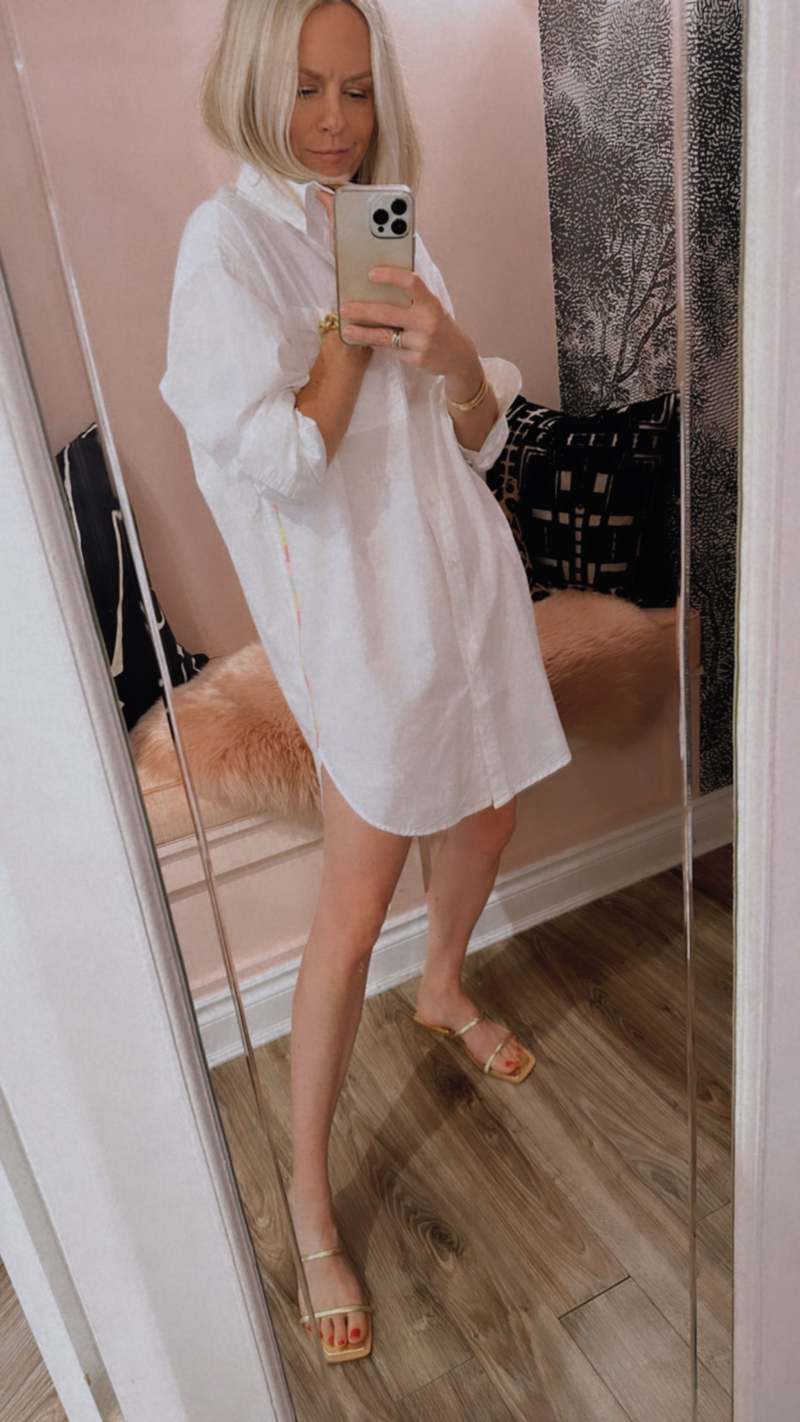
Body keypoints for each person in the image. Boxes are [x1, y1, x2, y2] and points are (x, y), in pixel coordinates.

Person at [159, 0, 572, 1364]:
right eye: (306, 88)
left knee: (492, 814)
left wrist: (452, 356)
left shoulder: (382, 215)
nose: (335, 120)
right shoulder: (224, 247)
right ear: (253, 84)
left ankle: (443, 985)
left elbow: (480, 432)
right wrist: (346, 330)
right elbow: (284, 464)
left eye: (355, 89)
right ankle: (307, 1196)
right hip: (366, 634)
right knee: (351, 910)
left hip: (466, 589)